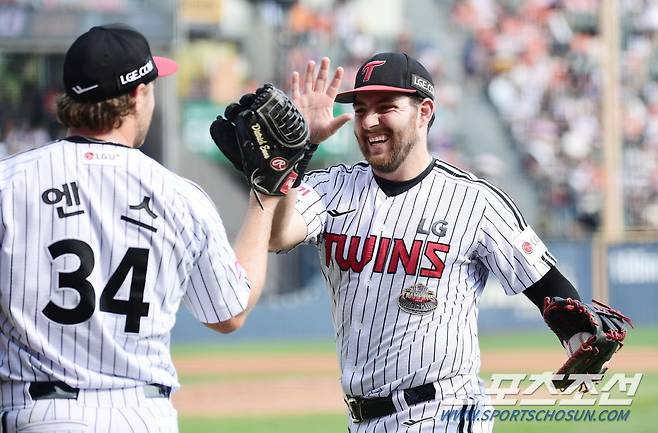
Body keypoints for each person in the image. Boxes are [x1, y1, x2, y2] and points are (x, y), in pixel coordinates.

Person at [269, 53, 590, 432]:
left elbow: (547, 284)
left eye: (386, 107)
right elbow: (277, 235)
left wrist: (578, 334)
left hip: (446, 412)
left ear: (424, 112)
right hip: (363, 419)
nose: (369, 121)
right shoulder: (329, 188)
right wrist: (294, 154)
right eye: (360, 109)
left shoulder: (474, 201)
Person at [0, 24, 280, 432]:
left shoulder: (9, 184)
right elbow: (229, 312)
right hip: (143, 416)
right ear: (137, 94)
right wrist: (266, 197)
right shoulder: (179, 196)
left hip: (41, 414)